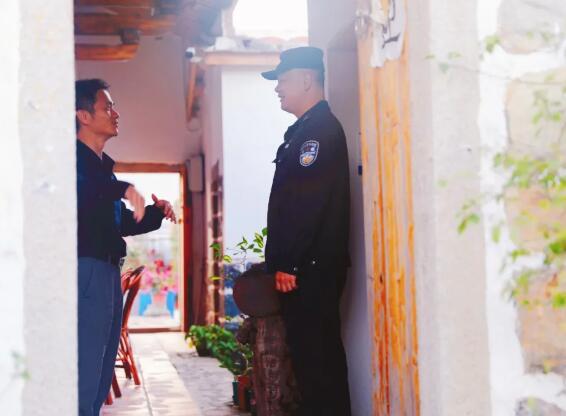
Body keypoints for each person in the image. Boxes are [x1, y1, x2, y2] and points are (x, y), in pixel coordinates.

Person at [75, 78, 176, 416]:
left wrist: (156, 213)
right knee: (85, 369)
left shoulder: (102, 168)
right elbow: (84, 192)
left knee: (101, 369)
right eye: (107, 107)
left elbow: (120, 222)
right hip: (85, 270)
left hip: (106, 272)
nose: (115, 113)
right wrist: (123, 187)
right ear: (83, 115)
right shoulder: (71, 161)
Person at [262, 47, 352, 416]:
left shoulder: (318, 132)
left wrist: (290, 263)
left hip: (308, 270)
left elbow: (308, 203)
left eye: (282, 80)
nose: (277, 88)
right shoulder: (305, 131)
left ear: (305, 80)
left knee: (319, 364)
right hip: (306, 268)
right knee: (311, 363)